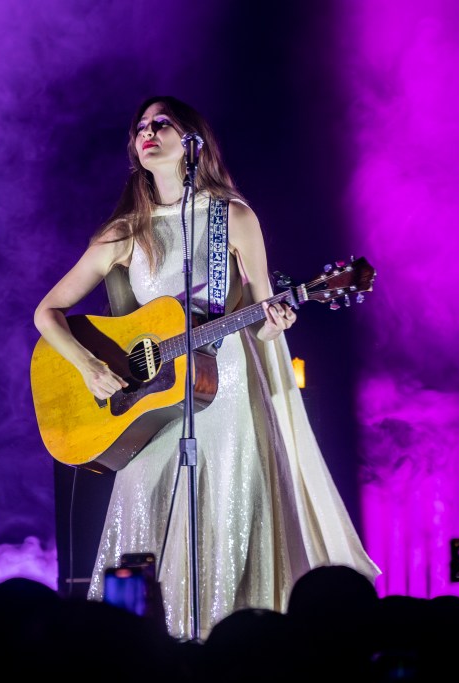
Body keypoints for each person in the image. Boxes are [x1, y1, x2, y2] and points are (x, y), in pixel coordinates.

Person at [33, 95, 380, 640]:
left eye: (162, 123)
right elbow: (47, 312)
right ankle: (140, 647)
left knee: (225, 511)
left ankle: (231, 644)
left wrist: (278, 319)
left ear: (192, 141)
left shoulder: (233, 217)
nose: (148, 132)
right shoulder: (124, 232)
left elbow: (262, 313)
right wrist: (88, 367)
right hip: (150, 402)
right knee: (147, 514)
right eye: (141, 127)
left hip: (228, 386)